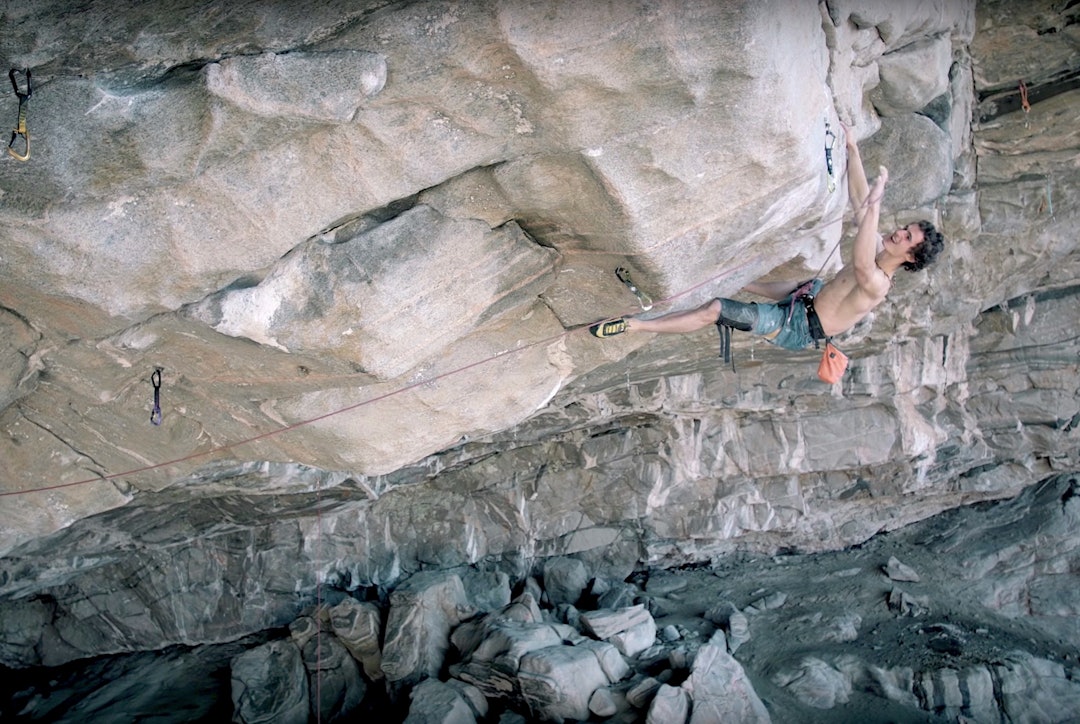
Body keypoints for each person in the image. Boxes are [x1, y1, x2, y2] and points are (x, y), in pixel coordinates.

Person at [590, 126, 944, 350]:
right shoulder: (881, 244)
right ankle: (744, 282)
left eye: (907, 236)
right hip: (810, 298)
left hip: (798, 328)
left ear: (911, 256)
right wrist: (852, 149)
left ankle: (634, 325)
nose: (899, 233)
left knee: (715, 309)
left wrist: (877, 203)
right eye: (906, 228)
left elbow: (861, 257)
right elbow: (861, 202)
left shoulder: (879, 284)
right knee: (808, 283)